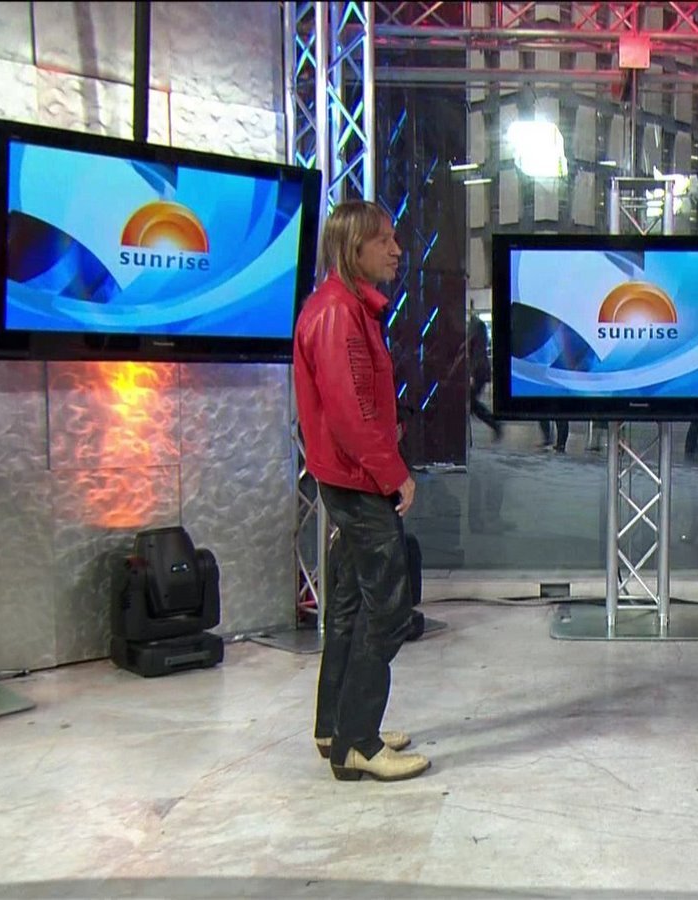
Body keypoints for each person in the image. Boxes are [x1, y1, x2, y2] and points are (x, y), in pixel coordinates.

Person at [293, 199, 431, 783]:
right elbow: (351, 415)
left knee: (349, 606)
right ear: (355, 249)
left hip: (348, 477)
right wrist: (394, 472)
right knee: (389, 612)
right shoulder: (337, 314)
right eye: (384, 241)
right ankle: (359, 742)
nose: (396, 250)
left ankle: (336, 727)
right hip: (359, 480)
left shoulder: (346, 308)